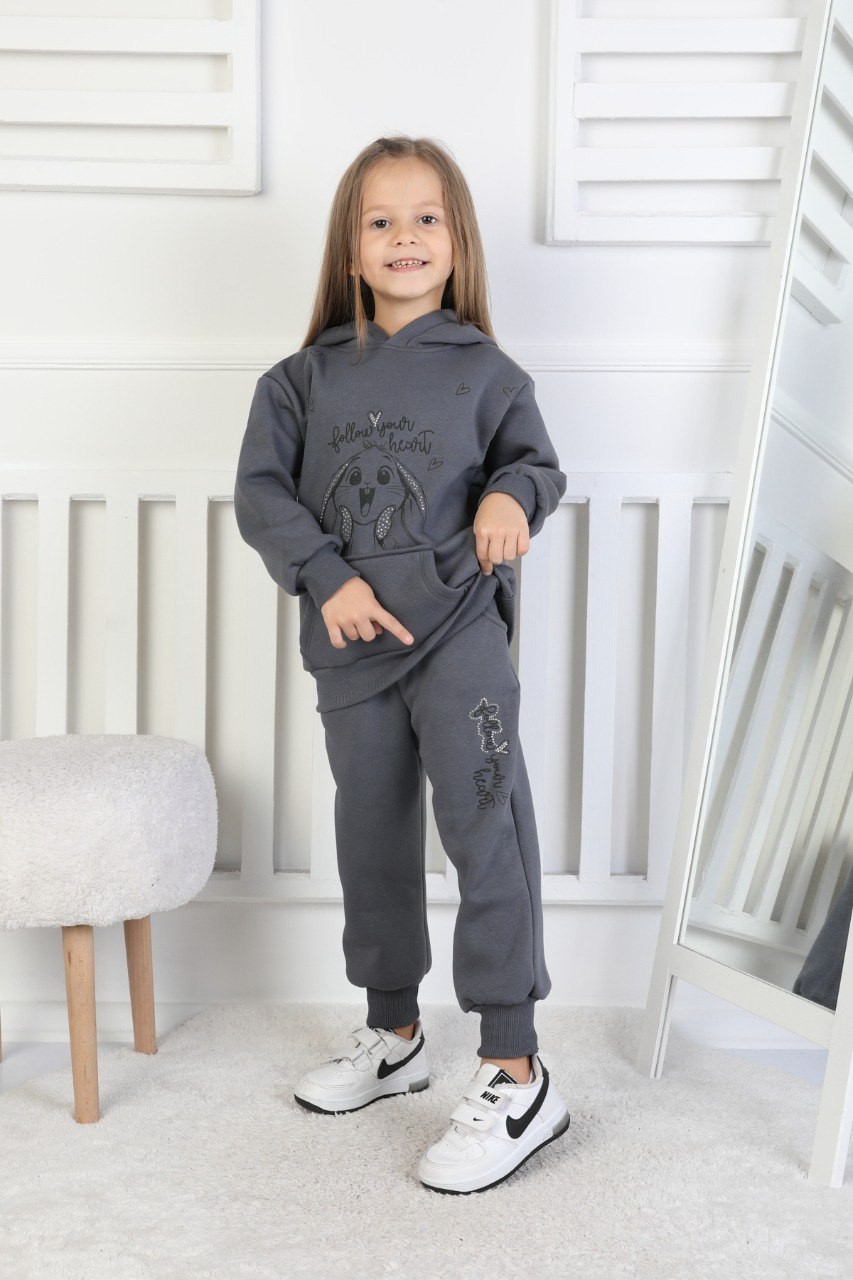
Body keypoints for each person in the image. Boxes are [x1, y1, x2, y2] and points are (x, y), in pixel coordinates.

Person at [233, 134, 570, 1194]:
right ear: (350, 248)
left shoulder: (488, 372)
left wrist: (512, 494)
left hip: (459, 630)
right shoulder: (299, 380)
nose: (404, 236)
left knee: (485, 830)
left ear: (457, 240)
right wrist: (327, 577)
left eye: (426, 217)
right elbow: (261, 495)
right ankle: (393, 1033)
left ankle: (516, 1068)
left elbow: (535, 465)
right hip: (352, 646)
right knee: (370, 838)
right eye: (380, 221)